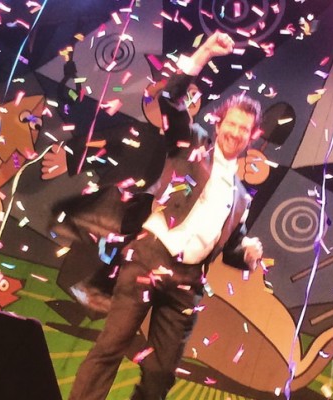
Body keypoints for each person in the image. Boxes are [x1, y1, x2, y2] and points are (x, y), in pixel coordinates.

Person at [69, 30, 264, 400]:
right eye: (232, 124)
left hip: (187, 283)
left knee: (160, 373)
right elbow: (170, 99)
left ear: (252, 136)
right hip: (149, 257)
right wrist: (204, 53)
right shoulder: (192, 143)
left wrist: (248, 254)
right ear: (219, 123)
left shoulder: (241, 197)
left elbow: (230, 247)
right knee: (111, 346)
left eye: (244, 128)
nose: (236, 132)